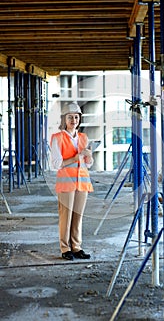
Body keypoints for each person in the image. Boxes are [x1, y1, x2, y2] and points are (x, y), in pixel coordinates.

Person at [50, 102, 94, 261]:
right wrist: (75, 158)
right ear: (64, 119)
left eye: (76, 117)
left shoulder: (84, 137)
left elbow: (88, 164)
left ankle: (76, 247)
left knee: (78, 215)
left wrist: (89, 156)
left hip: (82, 182)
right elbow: (56, 164)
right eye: (70, 117)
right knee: (65, 216)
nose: (73, 120)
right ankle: (65, 248)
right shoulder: (58, 138)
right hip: (66, 182)